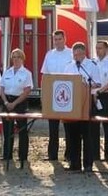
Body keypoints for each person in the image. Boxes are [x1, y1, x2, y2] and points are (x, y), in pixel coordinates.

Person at [63, 42, 99, 172]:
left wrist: (85, 85)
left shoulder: (91, 65)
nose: (76, 57)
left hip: (86, 103)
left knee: (87, 135)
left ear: (84, 54)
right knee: (72, 135)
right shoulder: (68, 66)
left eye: (78, 54)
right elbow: (65, 84)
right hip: (72, 104)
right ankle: (74, 164)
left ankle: (88, 164)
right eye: (74, 54)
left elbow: (97, 83)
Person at [41, 29, 73, 162]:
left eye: (60, 39)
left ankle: (69, 154)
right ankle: (52, 154)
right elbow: (45, 74)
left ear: (65, 39)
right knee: (52, 127)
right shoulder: (49, 54)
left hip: (68, 92)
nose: (57, 42)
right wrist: (44, 94)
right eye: (55, 39)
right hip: (53, 93)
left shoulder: (71, 53)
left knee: (69, 127)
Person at [0, 48, 34, 170]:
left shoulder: (26, 73)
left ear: (22, 58)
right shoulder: (7, 72)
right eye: (14, 57)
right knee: (7, 130)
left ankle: (23, 156)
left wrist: (14, 103)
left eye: (18, 57)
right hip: (7, 101)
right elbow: (2, 88)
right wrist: (5, 101)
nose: (15, 59)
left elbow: (27, 90)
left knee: (22, 130)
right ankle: (7, 154)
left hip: (20, 102)